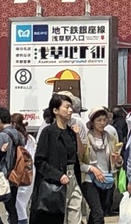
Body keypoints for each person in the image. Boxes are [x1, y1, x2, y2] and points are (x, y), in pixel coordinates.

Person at [32, 93, 84, 224]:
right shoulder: (48, 132)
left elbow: (80, 155)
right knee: (56, 217)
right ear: (55, 110)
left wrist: (77, 136)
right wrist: (58, 175)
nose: (70, 110)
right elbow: (39, 160)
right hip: (56, 181)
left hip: (73, 178)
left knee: (75, 216)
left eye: (71, 107)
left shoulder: (71, 132)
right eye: (66, 107)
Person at [79, 106, 122, 224]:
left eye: (104, 119)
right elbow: (79, 162)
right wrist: (92, 169)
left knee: (97, 213)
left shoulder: (110, 137)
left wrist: (118, 160)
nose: (102, 123)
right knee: (98, 214)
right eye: (99, 120)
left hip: (106, 179)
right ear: (92, 122)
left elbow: (117, 162)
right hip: (89, 179)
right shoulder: (85, 139)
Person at [0, 108, 25, 224]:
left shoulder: (2, 135)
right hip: (16, 173)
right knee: (12, 206)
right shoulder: (18, 134)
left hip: (4, 174)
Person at [12, 113, 36, 224]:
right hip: (31, 171)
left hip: (20, 172)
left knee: (18, 203)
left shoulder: (15, 136)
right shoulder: (30, 138)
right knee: (23, 203)